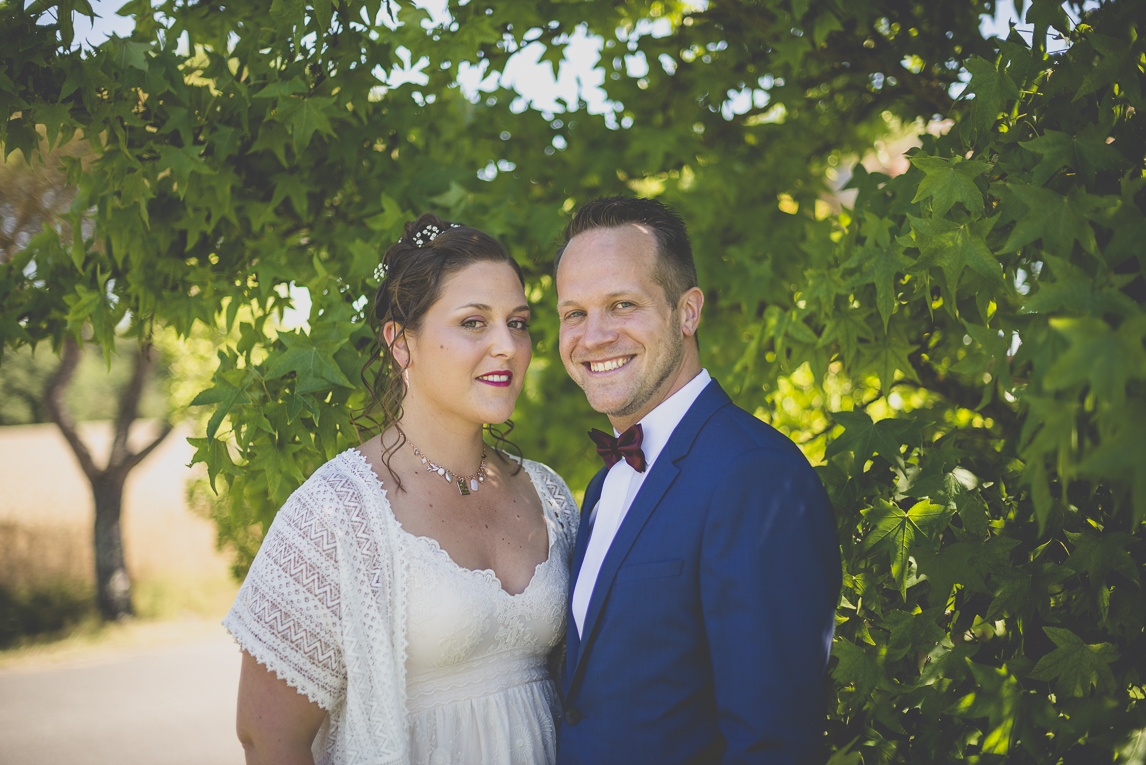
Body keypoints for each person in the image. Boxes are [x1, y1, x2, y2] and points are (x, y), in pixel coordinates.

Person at [224, 214, 579, 765]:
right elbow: (267, 738)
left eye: (518, 322)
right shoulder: (336, 514)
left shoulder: (547, 494)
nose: (507, 346)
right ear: (400, 342)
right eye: (472, 323)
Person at [554, 196, 841, 765]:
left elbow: (773, 742)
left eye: (622, 304)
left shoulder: (755, 475)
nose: (594, 336)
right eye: (574, 313)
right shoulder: (601, 486)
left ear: (687, 313)